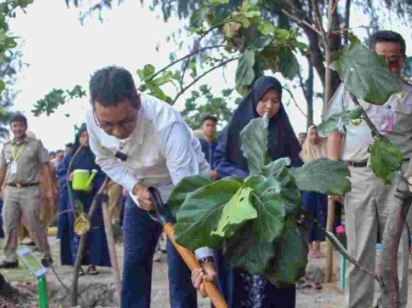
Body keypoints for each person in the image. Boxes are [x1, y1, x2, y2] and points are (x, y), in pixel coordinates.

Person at [85, 66, 216, 308]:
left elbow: (189, 196)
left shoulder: (167, 124)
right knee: (134, 264)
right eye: (107, 126)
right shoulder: (93, 120)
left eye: (125, 122)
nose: (117, 133)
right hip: (143, 192)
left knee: (184, 271)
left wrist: (205, 259)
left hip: (184, 191)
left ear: (137, 102)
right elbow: (104, 159)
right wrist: (134, 187)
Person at [326, 30, 412, 308]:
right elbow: (335, 131)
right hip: (357, 178)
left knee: (397, 252)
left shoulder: (410, 93)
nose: (388, 66)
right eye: (381, 60)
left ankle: (392, 304)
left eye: (394, 60)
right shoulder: (351, 88)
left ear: (403, 60)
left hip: (399, 181)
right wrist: (333, 177)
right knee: (359, 251)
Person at [208, 76, 302, 308]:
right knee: (237, 269)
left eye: (275, 100)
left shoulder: (283, 129)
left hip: (273, 210)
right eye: (264, 100)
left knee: (274, 270)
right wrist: (245, 178)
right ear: (253, 100)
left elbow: (296, 166)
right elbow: (220, 161)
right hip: (238, 209)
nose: (269, 106)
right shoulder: (236, 126)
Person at [0, 114, 54, 268]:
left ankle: (46, 254)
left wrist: (49, 190)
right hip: (10, 189)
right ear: (11, 128)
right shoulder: (6, 146)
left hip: (30, 189)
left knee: (33, 222)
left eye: (20, 125)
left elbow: (45, 167)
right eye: (14, 126)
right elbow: (3, 169)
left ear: (26, 127)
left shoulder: (36, 144)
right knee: (9, 223)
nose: (17, 129)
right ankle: (10, 257)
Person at [57, 124, 111, 275]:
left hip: (92, 198)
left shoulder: (98, 156)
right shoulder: (70, 156)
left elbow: (104, 175)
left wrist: (94, 184)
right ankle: (77, 263)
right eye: (82, 136)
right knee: (76, 227)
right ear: (78, 138)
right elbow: (61, 172)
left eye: (88, 136)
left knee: (93, 228)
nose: (85, 139)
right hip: (74, 198)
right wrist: (68, 177)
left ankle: (92, 264)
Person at [300, 125, 328, 259]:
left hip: (321, 190)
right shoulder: (302, 152)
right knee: (308, 218)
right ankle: (309, 248)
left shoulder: (325, 149)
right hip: (307, 191)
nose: (314, 137)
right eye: (311, 134)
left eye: (317, 134)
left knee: (321, 217)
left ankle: (317, 248)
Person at [198, 115, 220, 180]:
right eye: (207, 125)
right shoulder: (197, 145)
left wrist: (218, 171)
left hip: (217, 180)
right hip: (200, 179)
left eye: (213, 126)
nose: (210, 128)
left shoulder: (219, 146)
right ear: (202, 127)